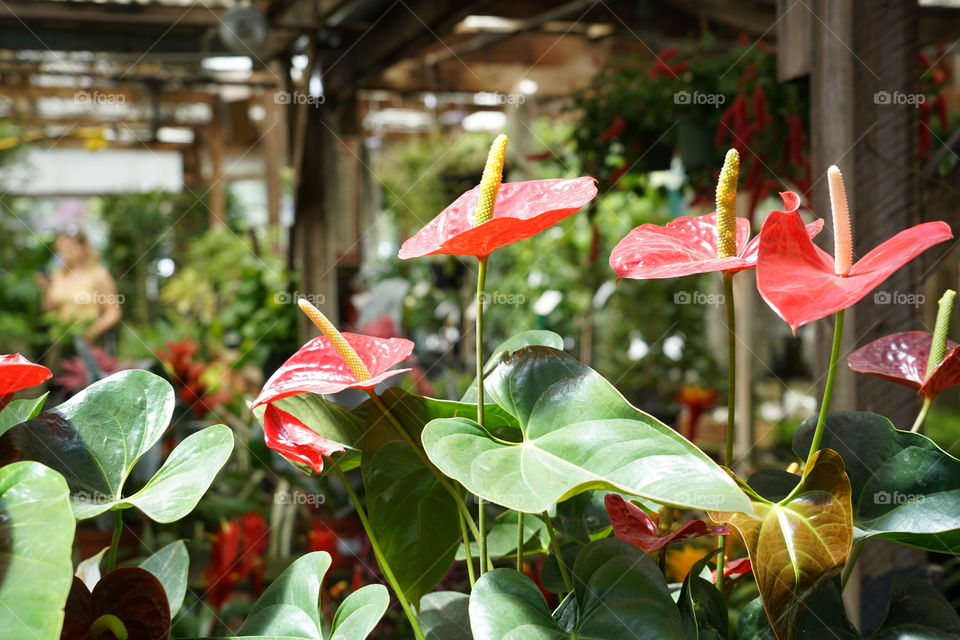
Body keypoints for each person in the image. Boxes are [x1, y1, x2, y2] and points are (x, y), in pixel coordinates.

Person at [38, 227, 122, 344]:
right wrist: (46, 289)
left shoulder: (98, 274)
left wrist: (92, 332)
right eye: (61, 249)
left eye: (69, 248)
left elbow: (113, 312)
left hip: (91, 343)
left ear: (83, 247)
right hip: (62, 342)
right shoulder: (58, 274)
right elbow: (48, 310)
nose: (65, 254)